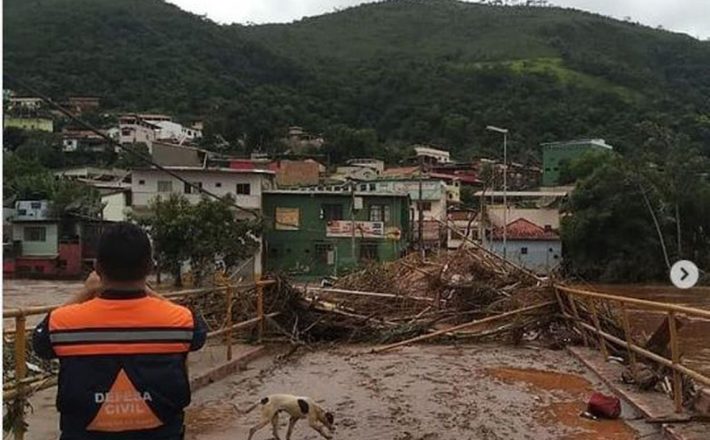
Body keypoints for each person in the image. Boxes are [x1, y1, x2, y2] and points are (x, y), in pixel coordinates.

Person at [33, 222, 207, 440]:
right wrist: (149, 292)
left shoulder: (62, 322)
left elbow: (40, 343)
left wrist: (85, 292)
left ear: (97, 267)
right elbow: (199, 335)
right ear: (150, 267)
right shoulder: (181, 321)